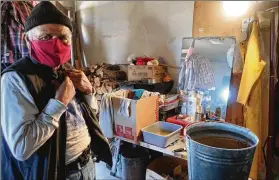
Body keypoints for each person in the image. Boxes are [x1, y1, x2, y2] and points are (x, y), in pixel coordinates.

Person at [1, 2, 112, 180]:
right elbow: (21, 148)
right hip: (57, 172)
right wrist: (59, 103)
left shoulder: (67, 69)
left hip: (87, 164)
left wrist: (89, 92)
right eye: (45, 37)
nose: (56, 44)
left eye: (63, 37)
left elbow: (90, 114)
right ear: (29, 40)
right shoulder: (15, 79)